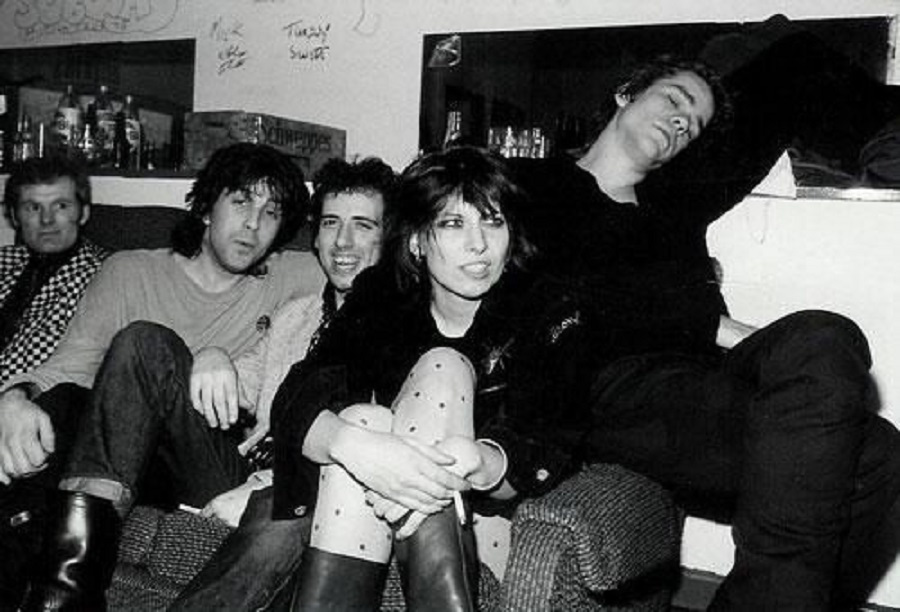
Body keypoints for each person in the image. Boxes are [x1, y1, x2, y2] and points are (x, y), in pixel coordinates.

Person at [507, 45, 900, 610]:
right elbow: (553, 299)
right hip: (602, 380)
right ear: (625, 94)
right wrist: (711, 325)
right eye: (674, 100)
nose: (680, 123)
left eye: (692, 126)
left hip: (694, 379)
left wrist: (750, 342)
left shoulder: (671, 211)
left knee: (851, 387)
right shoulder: (532, 185)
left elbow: (792, 74)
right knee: (862, 442)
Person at [0, 142, 323, 611]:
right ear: (207, 207)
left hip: (211, 457)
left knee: (144, 341)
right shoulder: (129, 271)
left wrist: (212, 356)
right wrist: (14, 397)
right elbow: (71, 366)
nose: (254, 225)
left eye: (271, 212)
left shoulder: (297, 275)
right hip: (129, 459)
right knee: (59, 407)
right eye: (241, 202)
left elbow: (372, 261)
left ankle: (65, 596)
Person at [269, 146, 579, 611]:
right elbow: (299, 393)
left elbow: (545, 440)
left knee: (443, 365)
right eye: (453, 224)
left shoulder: (546, 307)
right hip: (371, 506)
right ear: (416, 240)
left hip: (487, 515)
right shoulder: (380, 296)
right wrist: (356, 447)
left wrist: (474, 458)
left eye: (492, 222)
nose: (478, 245)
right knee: (365, 420)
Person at [170, 156, 398, 611]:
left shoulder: (400, 327)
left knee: (286, 506)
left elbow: (363, 451)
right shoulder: (297, 316)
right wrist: (212, 356)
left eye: (363, 226)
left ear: (389, 238)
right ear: (315, 237)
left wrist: (262, 487)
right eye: (331, 223)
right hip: (244, 462)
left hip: (312, 488)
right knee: (145, 343)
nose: (343, 242)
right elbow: (242, 382)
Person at [0, 154, 106, 388]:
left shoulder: (105, 277)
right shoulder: (5, 262)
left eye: (61, 206)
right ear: (15, 217)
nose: (47, 220)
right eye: (33, 207)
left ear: (83, 213)